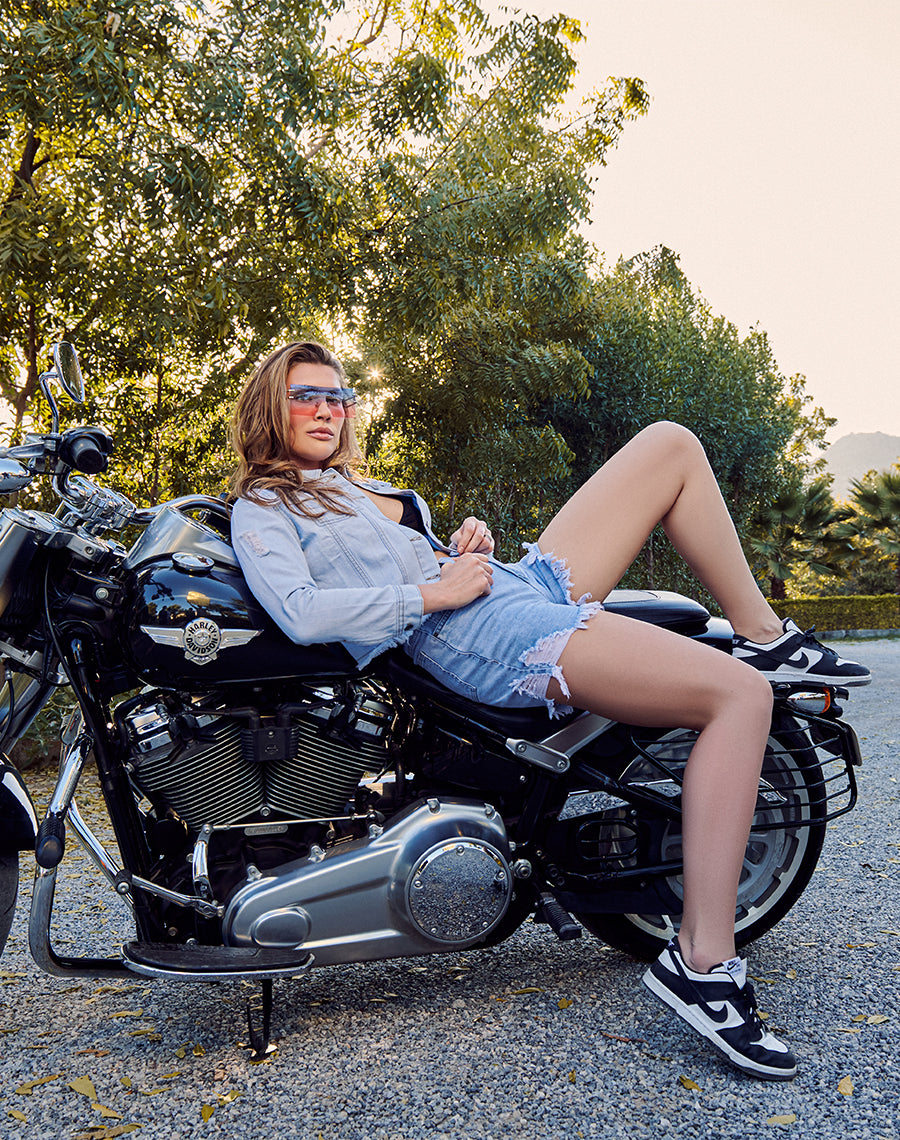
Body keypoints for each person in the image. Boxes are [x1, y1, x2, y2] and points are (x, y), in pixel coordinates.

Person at [229, 340, 870, 1081]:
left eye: (337, 397)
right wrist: (432, 593)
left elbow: (411, 559)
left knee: (671, 445)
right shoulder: (265, 505)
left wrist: (457, 546)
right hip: (470, 635)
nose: (326, 409)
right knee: (738, 697)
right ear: (269, 407)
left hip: (507, 588)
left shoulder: (348, 484)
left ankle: (765, 635)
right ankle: (705, 964)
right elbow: (303, 612)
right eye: (305, 395)